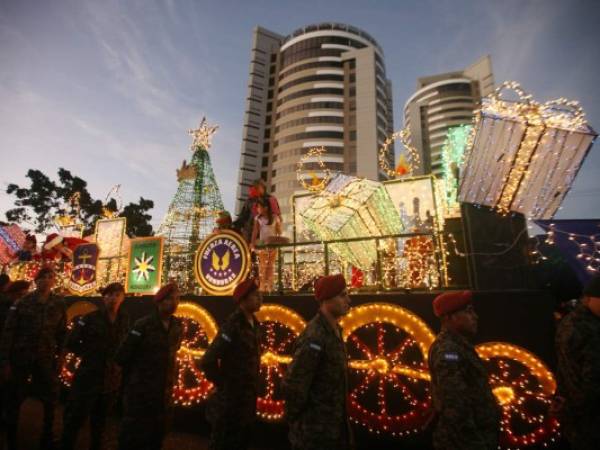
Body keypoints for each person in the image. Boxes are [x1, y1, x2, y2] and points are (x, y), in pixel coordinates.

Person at [283, 274, 353, 450]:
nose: (348, 300)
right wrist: (299, 423)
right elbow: (294, 384)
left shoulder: (335, 330)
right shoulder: (314, 336)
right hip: (314, 433)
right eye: (342, 295)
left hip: (334, 427)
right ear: (326, 300)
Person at [0, 267, 67, 450]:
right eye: (43, 277)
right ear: (36, 281)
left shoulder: (59, 303)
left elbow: (62, 332)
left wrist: (61, 356)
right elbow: (9, 333)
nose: (47, 280)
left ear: (55, 281)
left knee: (50, 399)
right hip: (21, 358)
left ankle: (47, 436)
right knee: (14, 399)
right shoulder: (23, 302)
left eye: (51, 277)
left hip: (46, 359)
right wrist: (5, 362)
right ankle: (11, 439)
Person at [427, 290, 500, 450]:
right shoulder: (448, 350)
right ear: (448, 318)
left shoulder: (460, 346)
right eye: (468, 312)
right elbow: (455, 405)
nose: (475, 317)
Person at [61, 282, 129, 450]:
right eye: (109, 295)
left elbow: (127, 345)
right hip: (88, 377)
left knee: (101, 422)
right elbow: (72, 342)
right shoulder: (90, 318)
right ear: (103, 298)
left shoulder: (125, 320)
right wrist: (91, 353)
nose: (113, 298)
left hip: (110, 380)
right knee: (75, 418)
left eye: (117, 295)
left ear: (123, 298)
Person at [115, 283, 182, 450]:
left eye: (176, 299)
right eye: (169, 299)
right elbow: (123, 355)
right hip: (140, 392)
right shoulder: (143, 325)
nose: (173, 303)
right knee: (132, 436)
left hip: (163, 393)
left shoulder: (177, 326)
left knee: (156, 436)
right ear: (159, 302)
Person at [200, 278, 262, 450]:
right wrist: (223, 383)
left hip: (247, 398)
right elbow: (208, 360)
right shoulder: (233, 325)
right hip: (231, 401)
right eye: (255, 295)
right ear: (243, 300)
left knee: (242, 440)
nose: (260, 298)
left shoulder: (255, 324)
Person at [555, 275, 600, 449]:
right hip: (588, 415)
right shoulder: (587, 327)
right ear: (589, 298)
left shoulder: (571, 322)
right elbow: (592, 377)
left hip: (576, 413)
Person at [251, 199, 282, 293]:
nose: (258, 209)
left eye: (259, 207)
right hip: (262, 245)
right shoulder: (258, 218)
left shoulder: (275, 217)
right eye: (257, 207)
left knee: (271, 266)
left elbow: (279, 231)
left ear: (266, 208)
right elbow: (255, 231)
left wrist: (280, 225)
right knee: (263, 266)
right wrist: (252, 242)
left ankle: (270, 287)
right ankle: (262, 287)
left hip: (273, 244)